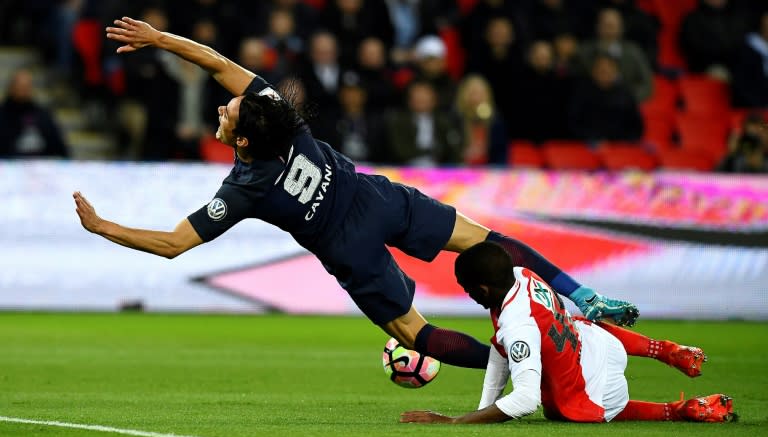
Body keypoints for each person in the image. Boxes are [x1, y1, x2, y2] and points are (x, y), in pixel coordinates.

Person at [74, 16, 637, 372]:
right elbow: (218, 64)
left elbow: (174, 244)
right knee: (485, 240)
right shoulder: (281, 116)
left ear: (240, 138)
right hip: (378, 200)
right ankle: (580, 295)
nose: (222, 106)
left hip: (349, 247)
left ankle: (521, 363)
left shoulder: (244, 187)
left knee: (415, 333)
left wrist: (103, 228)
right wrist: (159, 40)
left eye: (227, 112)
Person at [400, 242, 735, 424]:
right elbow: (501, 353)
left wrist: (456, 422)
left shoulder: (518, 325)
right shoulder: (521, 274)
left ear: (483, 289)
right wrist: (483, 408)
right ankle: (665, 349)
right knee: (577, 324)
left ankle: (677, 410)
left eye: (467, 289)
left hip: (597, 392)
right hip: (598, 345)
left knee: (556, 408)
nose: (466, 294)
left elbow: (525, 400)